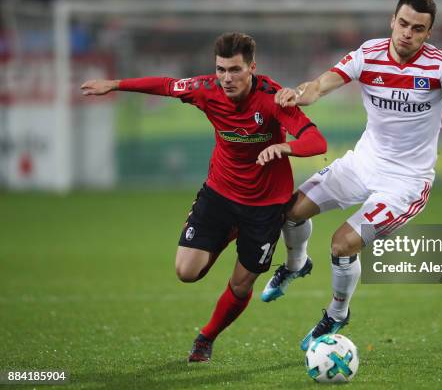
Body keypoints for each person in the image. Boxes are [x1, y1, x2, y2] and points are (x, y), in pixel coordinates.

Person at [260, 0, 442, 351]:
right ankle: (296, 264)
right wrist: (298, 93)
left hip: (405, 184)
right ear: (392, 21)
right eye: (403, 23)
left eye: (418, 28)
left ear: (428, 33)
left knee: (343, 243)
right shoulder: (367, 55)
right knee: (289, 212)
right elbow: (320, 85)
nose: (407, 33)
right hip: (361, 164)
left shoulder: (440, 67)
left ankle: (337, 313)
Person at [80, 32, 327, 362]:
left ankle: (206, 337)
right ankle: (226, 230)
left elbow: (316, 141)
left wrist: (284, 147)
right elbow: (166, 86)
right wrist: (115, 84)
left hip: (265, 206)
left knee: (241, 285)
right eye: (220, 69)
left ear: (252, 67)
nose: (226, 78)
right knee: (186, 271)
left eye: (235, 70)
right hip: (220, 195)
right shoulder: (205, 90)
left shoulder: (272, 98)